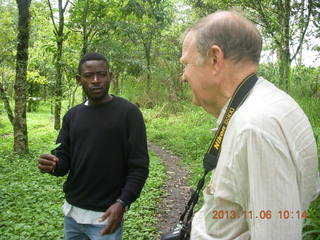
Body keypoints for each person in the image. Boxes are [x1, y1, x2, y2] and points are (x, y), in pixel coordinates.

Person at [180, 10, 320, 239]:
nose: (183, 76)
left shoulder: (255, 127)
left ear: (215, 59)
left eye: (186, 63)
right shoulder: (265, 103)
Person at [38, 53, 149, 240]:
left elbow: (139, 166)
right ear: (79, 80)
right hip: (72, 213)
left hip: (106, 216)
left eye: (101, 74)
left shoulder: (128, 113)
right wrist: (53, 165)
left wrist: (122, 203)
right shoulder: (72, 116)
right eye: (89, 76)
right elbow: (63, 160)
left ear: (110, 76)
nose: (96, 80)